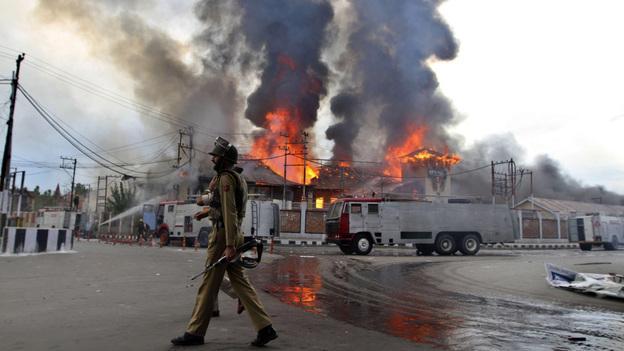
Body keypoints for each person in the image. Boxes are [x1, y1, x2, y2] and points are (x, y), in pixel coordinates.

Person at [171, 137, 277, 347]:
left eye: (216, 156)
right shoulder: (238, 179)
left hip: (223, 236)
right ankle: (265, 328)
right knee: (240, 282)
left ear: (225, 159)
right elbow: (227, 207)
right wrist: (207, 212)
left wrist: (228, 245)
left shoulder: (226, 179)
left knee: (209, 284)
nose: (213, 160)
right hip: (232, 233)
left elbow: (229, 212)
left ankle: (195, 332)